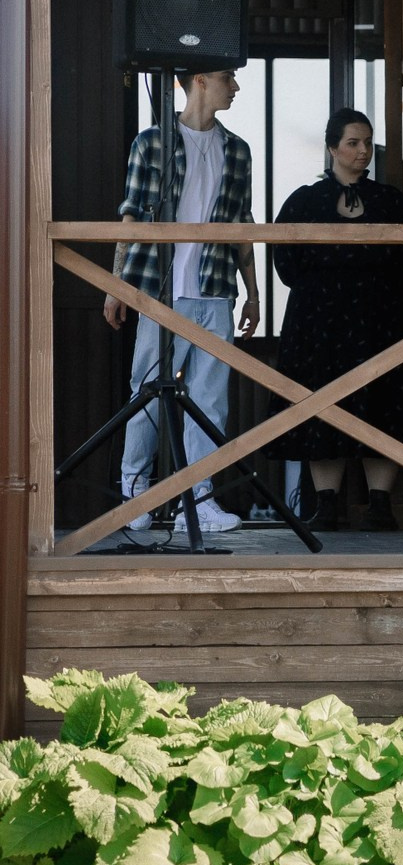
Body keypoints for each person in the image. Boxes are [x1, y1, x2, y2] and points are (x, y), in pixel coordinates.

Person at [105, 67, 257, 534]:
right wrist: (116, 284)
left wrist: (252, 291)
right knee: (146, 393)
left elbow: (242, 224)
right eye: (228, 78)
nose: (235, 87)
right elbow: (131, 213)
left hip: (214, 288)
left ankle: (202, 497)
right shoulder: (151, 143)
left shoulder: (238, 150)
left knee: (212, 401)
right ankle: (135, 494)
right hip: (160, 288)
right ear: (201, 81)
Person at [271, 107, 403, 532]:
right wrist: (322, 288)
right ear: (332, 146)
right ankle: (327, 504)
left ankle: (379, 504)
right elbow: (286, 259)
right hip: (317, 321)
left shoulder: (391, 201)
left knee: (384, 402)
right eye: (353, 142)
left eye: (368, 142)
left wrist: (374, 289)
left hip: (381, 318)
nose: (363, 151)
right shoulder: (303, 201)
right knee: (319, 402)